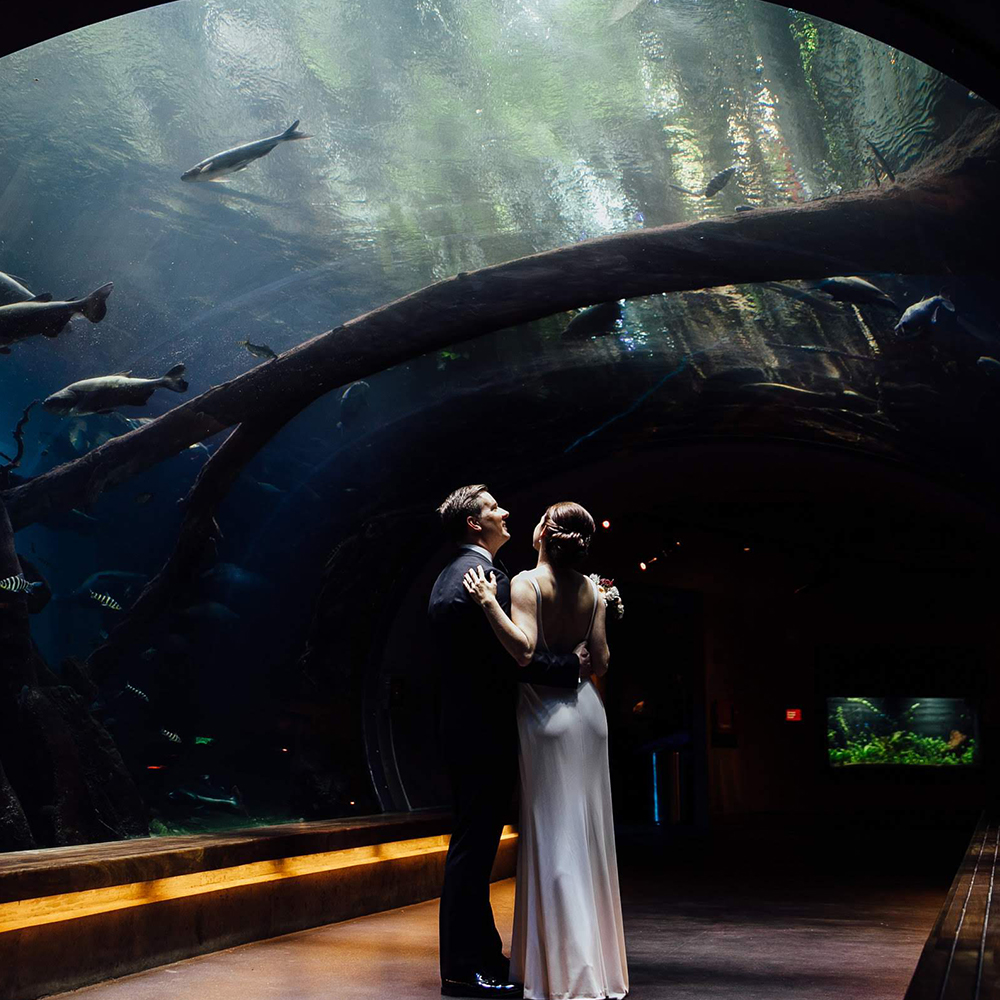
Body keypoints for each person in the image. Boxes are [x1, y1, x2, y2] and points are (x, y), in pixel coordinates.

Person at [463, 501, 628, 1000]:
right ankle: (596, 967)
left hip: (545, 717)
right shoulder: (595, 593)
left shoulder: (525, 584)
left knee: (554, 837)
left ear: (540, 533)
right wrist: (604, 612)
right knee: (590, 837)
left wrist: (489, 603)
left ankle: (563, 970)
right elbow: (599, 661)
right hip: (588, 718)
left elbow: (524, 651)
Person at [429, 485, 589, 999]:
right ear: (475, 525)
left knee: (472, 847)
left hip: (464, 728)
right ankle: (462, 969)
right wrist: (570, 666)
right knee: (473, 851)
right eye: (494, 508)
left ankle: (479, 957)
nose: (505, 512)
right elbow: (505, 658)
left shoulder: (453, 573)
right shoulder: (481, 579)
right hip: (481, 731)